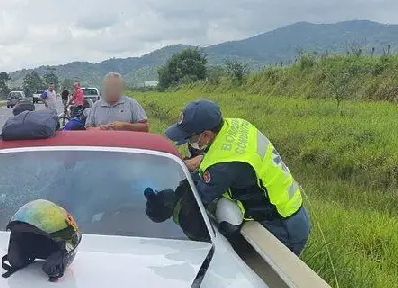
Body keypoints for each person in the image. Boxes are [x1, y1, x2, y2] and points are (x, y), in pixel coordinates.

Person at [164, 99, 311, 255]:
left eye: (190, 139)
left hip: (283, 225)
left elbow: (195, 204)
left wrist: (170, 217)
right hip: (291, 207)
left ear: (206, 135)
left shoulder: (223, 166)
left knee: (268, 270)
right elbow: (226, 154)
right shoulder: (237, 124)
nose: (189, 142)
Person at [85, 72, 149, 132]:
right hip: (102, 143)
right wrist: (99, 129)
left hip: (126, 143)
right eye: (109, 85)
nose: (112, 88)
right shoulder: (96, 106)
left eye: (115, 85)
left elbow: (145, 127)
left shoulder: (131, 104)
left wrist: (125, 126)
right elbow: (88, 128)